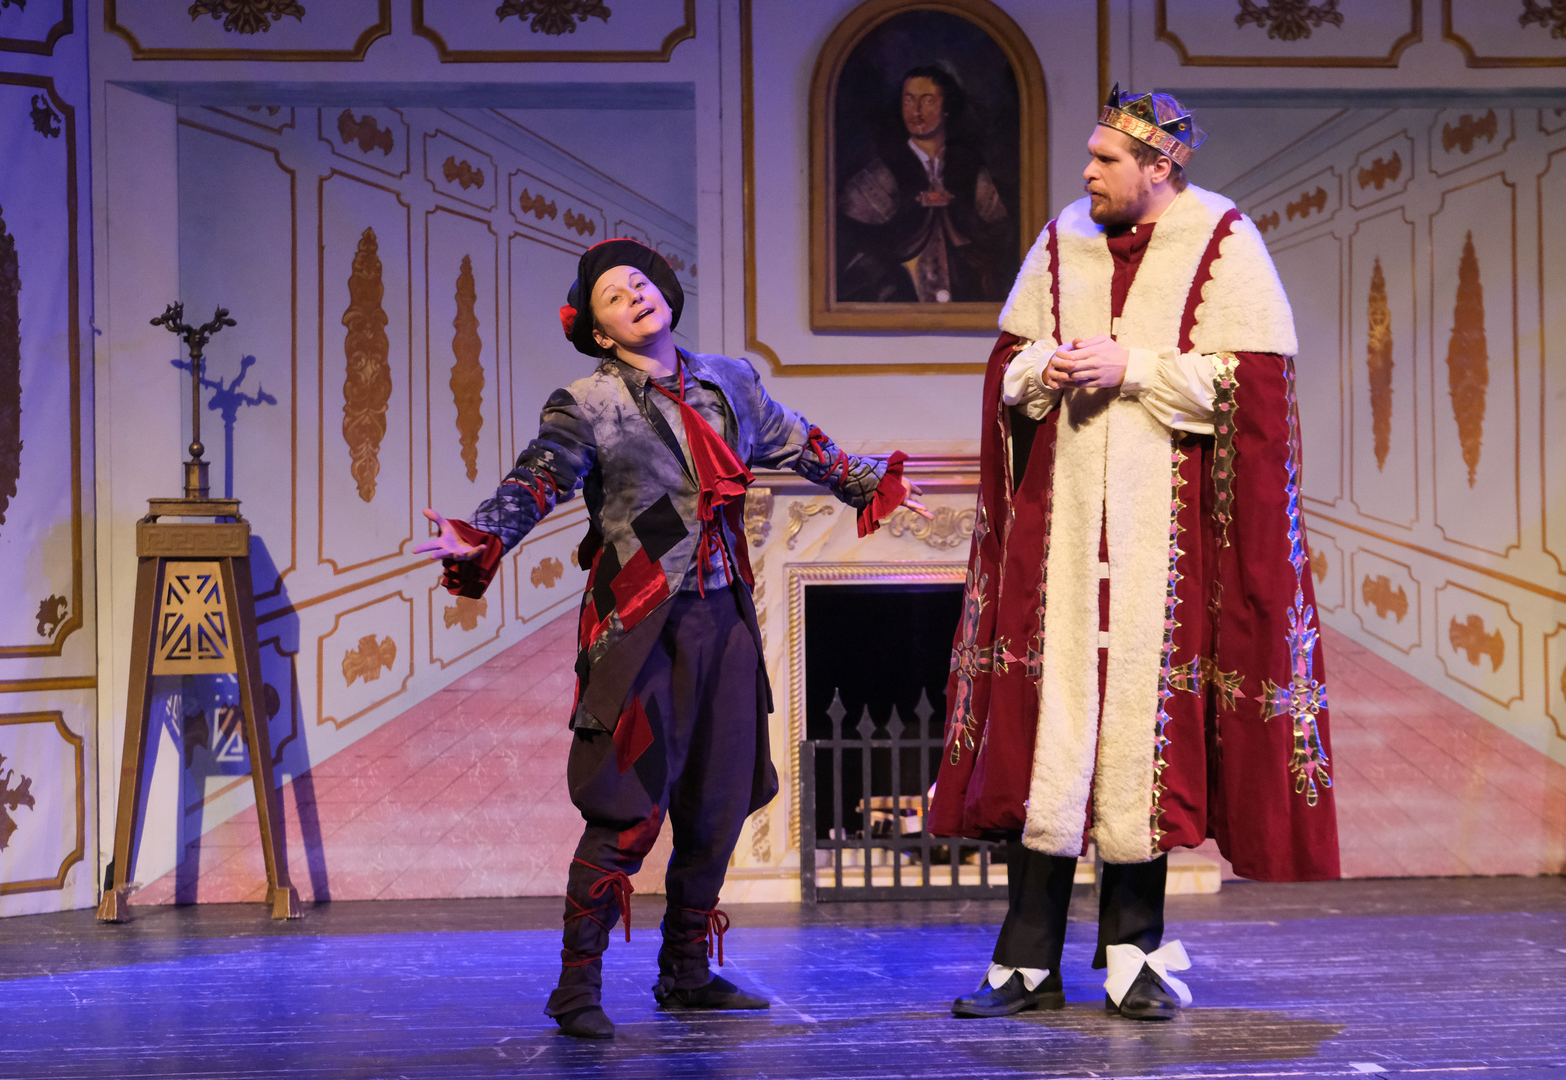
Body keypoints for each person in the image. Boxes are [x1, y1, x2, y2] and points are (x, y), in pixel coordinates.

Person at [419, 239, 926, 1040]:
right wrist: (480, 534)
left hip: (723, 616)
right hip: (639, 619)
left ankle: (686, 972)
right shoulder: (587, 401)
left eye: (641, 283)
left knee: (718, 798)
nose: (636, 295)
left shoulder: (731, 380)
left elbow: (802, 442)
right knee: (625, 801)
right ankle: (576, 986)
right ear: (599, 331)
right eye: (614, 296)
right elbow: (537, 478)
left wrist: (872, 482)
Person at [929, 87, 1340, 1022]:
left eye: (1105, 160)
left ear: (1160, 167)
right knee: (1052, 738)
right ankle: (1025, 963)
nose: (1086, 173)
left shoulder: (1223, 239)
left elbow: (1256, 387)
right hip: (1065, 535)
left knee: (1137, 742)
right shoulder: (1061, 239)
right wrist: (1044, 369)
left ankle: (1133, 957)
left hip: (1168, 545)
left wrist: (1135, 367)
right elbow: (1008, 364)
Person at [837, 65, 1013, 304]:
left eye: (928, 101)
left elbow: (997, 230)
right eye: (909, 100)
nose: (916, 111)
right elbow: (859, 236)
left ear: (947, 107)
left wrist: (958, 209)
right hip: (898, 296)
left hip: (966, 294)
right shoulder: (883, 169)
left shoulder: (968, 166)